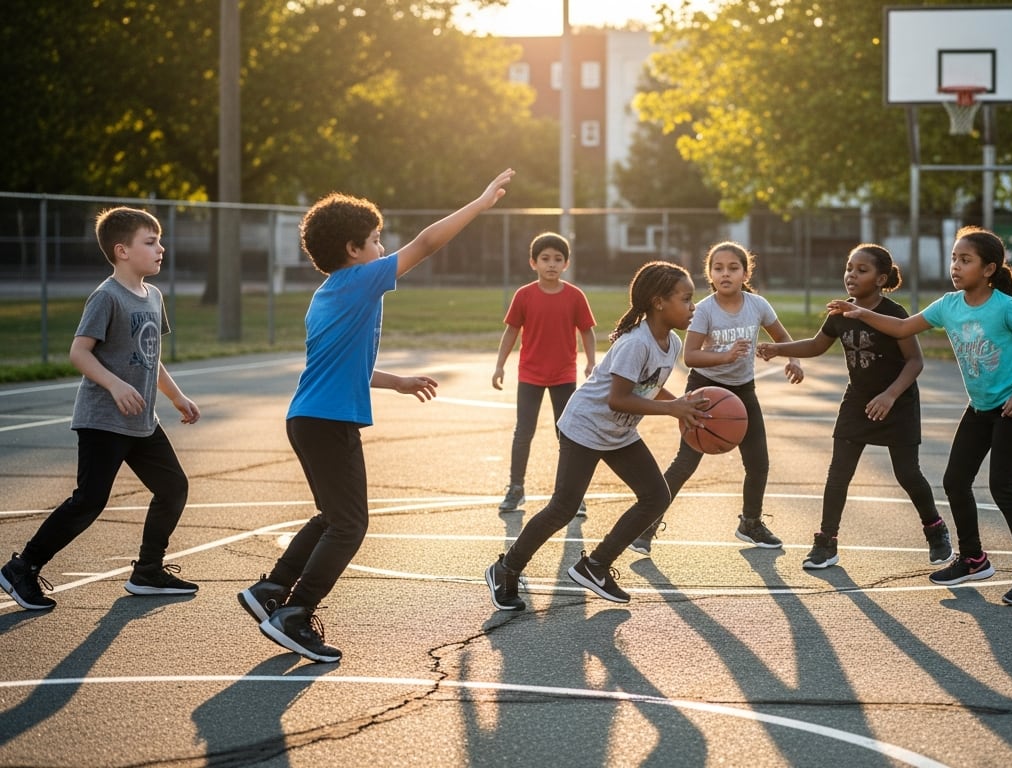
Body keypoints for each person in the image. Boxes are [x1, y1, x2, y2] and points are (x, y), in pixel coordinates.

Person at [236, 168, 516, 663]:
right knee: (350, 525)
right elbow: (427, 243)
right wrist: (479, 203)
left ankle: (272, 590)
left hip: (308, 418)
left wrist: (397, 381)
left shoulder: (328, 294)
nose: (382, 248)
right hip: (328, 422)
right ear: (353, 250)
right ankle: (295, 613)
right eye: (375, 240)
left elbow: (345, 366)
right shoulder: (360, 281)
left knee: (332, 517)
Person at [827, 227, 1012, 605]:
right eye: (954, 259)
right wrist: (860, 312)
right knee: (955, 481)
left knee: (1002, 486)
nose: (956, 266)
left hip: (1011, 406)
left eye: (965, 260)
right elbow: (903, 327)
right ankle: (973, 559)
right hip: (980, 407)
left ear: (989, 269)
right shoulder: (949, 305)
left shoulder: (1005, 307)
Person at [0, 207, 201, 611]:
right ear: (122, 251)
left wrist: (176, 396)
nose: (161, 249)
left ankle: (148, 571)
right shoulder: (107, 296)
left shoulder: (153, 296)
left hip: (142, 422)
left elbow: (150, 355)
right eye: (151, 242)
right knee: (89, 501)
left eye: (160, 241)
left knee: (173, 487)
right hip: (103, 421)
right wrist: (114, 384)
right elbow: (79, 352)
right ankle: (22, 568)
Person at [485, 261, 709, 610]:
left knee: (655, 497)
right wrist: (672, 409)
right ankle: (505, 569)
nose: (693, 306)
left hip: (618, 432)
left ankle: (596, 565)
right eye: (686, 298)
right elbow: (618, 398)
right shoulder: (636, 343)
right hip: (585, 427)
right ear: (659, 302)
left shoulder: (672, 343)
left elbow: (648, 386)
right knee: (563, 508)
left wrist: (681, 405)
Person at [757, 244, 953, 571]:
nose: (851, 274)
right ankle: (826, 542)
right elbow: (817, 345)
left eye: (862, 270)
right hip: (858, 399)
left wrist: (890, 395)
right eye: (849, 268)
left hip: (897, 401)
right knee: (839, 473)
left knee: (907, 473)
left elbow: (915, 361)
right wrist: (779, 349)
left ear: (881, 279)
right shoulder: (840, 313)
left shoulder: (894, 314)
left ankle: (936, 531)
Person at [629, 242, 804, 556]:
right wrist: (725, 356)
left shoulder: (758, 305)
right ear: (709, 274)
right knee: (685, 462)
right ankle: (647, 524)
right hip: (706, 390)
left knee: (759, 463)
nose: (725, 274)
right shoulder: (705, 310)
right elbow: (691, 356)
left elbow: (782, 338)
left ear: (745, 273)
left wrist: (792, 359)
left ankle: (750, 522)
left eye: (733, 268)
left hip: (743, 390)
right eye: (718, 268)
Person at [492, 232, 597, 517]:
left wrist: (591, 362)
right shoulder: (524, 295)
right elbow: (511, 331)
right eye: (545, 259)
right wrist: (500, 365)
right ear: (533, 263)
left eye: (558, 259)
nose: (551, 264)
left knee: (566, 434)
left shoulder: (575, 296)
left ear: (566, 264)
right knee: (523, 432)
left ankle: (571, 494)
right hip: (530, 374)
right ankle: (516, 488)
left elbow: (587, 331)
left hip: (564, 375)